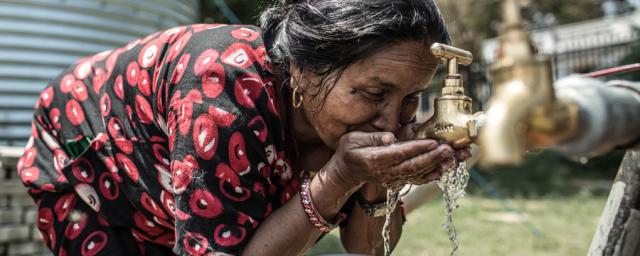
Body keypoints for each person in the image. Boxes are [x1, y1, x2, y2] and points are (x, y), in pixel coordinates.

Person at [16, 0, 470, 255]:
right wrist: (339, 178)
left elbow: (367, 250)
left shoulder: (341, 117)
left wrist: (377, 180)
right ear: (306, 71)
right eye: (374, 94)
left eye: (411, 98)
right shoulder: (219, 92)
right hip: (87, 169)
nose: (391, 122)